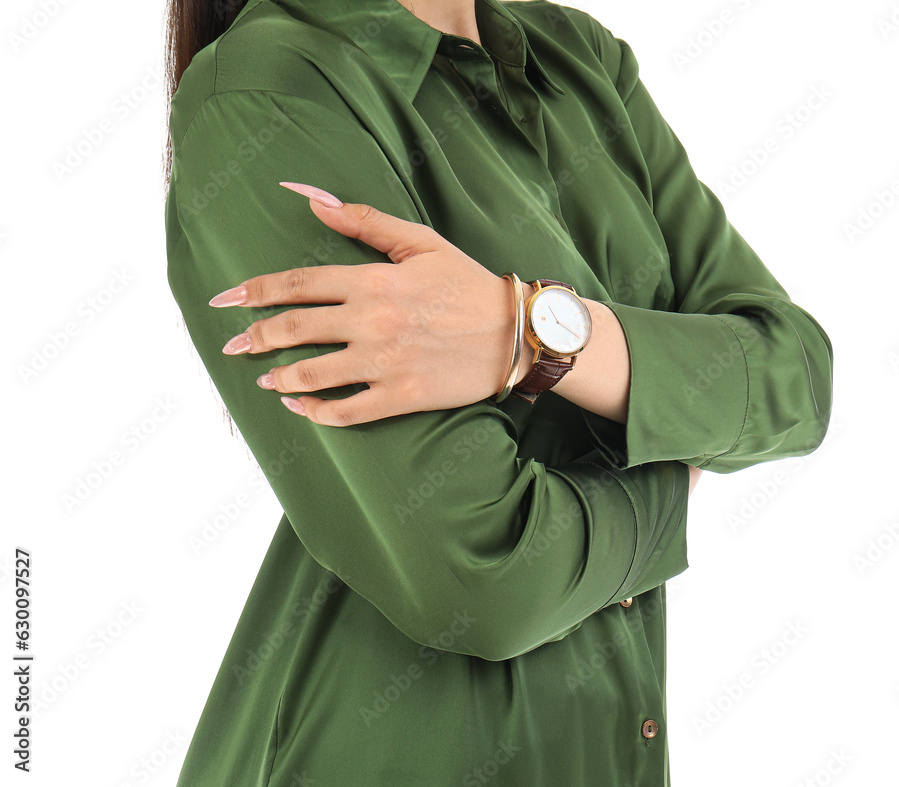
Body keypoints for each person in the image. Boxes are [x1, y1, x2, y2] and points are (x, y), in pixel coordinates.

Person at [162, 0, 834, 783]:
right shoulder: (267, 92)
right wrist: (668, 485)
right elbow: (485, 575)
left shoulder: (577, 58)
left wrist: (525, 331)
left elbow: (797, 377)